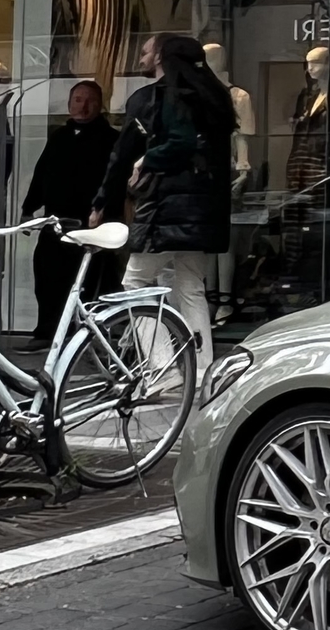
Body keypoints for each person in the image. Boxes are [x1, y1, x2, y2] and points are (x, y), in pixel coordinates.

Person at [92, 34, 236, 376]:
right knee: (190, 286)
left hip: (166, 204)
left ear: (161, 57)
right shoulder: (212, 97)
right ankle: (202, 372)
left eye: (145, 51)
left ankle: (163, 367)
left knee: (134, 284)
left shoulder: (159, 97)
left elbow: (138, 151)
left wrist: (143, 163)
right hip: (204, 208)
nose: (140, 57)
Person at [21, 79, 117, 341]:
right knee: (47, 279)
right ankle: (46, 334)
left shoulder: (110, 139)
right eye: (78, 100)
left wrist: (103, 211)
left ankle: (81, 339)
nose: (83, 106)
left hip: (90, 226)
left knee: (87, 284)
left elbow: (115, 182)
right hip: (55, 222)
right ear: (69, 104)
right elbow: (42, 174)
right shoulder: (59, 136)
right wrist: (28, 210)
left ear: (100, 105)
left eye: (90, 101)